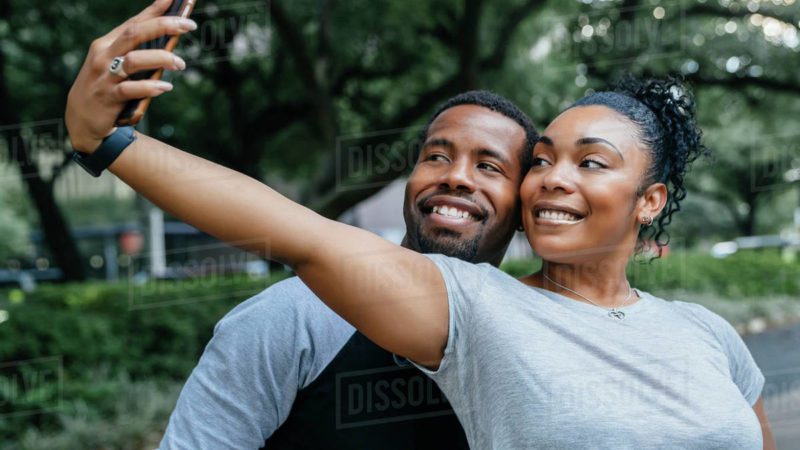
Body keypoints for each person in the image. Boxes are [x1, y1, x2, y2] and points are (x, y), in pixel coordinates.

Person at [65, 2, 776, 448]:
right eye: (544, 161)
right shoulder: (476, 307)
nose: (556, 178)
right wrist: (109, 144)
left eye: (590, 162)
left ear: (649, 200)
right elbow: (295, 230)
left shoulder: (706, 332)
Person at [157, 89, 537, 449]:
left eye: (488, 166)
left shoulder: (532, 350)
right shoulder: (293, 317)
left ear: (523, 208)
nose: (455, 176)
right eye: (436, 157)